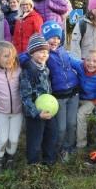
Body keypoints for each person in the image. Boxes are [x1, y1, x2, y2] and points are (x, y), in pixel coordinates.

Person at [41, 21, 80, 162]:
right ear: (44, 39)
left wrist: (88, 67)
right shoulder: (44, 55)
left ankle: (70, 147)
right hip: (59, 97)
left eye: (57, 37)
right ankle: (59, 149)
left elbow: (76, 64)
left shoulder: (64, 51)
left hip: (74, 93)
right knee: (61, 127)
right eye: (51, 37)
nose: (54, 40)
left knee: (72, 123)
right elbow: (29, 57)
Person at [20, 34, 56, 165]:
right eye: (41, 52)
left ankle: (49, 162)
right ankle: (33, 166)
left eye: (46, 52)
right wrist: (36, 113)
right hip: (35, 114)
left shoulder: (45, 68)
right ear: (32, 53)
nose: (44, 55)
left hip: (49, 110)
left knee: (51, 137)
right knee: (35, 140)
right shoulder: (27, 71)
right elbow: (25, 96)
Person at [0, 41, 23, 173]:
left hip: (18, 112)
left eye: (12, 55)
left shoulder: (19, 71)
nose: (10, 59)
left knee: (13, 139)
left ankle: (10, 157)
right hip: (1, 112)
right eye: (6, 56)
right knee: (2, 138)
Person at [70, 48, 96, 149]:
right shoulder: (80, 66)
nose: (91, 63)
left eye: (95, 61)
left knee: (80, 114)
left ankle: (81, 145)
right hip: (79, 96)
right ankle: (69, 141)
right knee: (70, 113)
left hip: (93, 100)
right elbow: (67, 57)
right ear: (84, 60)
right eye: (88, 60)